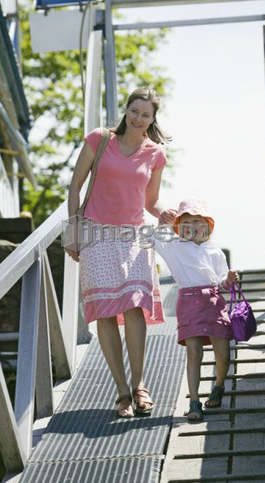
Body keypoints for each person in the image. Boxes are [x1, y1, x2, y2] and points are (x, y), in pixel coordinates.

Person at [65, 87, 176, 418]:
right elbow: (75, 187)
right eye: (135, 111)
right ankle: (121, 391)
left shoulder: (155, 154)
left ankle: (140, 384)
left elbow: (150, 200)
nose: (139, 119)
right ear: (126, 111)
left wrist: (165, 214)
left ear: (153, 119)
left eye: (146, 115)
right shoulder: (99, 139)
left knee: (135, 306)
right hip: (96, 234)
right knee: (105, 311)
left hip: (135, 236)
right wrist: (73, 233)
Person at [154, 198, 239, 422]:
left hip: (213, 301)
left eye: (198, 221)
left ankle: (218, 386)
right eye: (187, 221)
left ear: (207, 225)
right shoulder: (173, 246)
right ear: (180, 226)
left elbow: (221, 282)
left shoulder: (215, 252)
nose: (193, 226)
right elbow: (150, 238)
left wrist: (229, 279)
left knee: (223, 353)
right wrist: (163, 223)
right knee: (194, 352)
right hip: (188, 302)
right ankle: (194, 401)